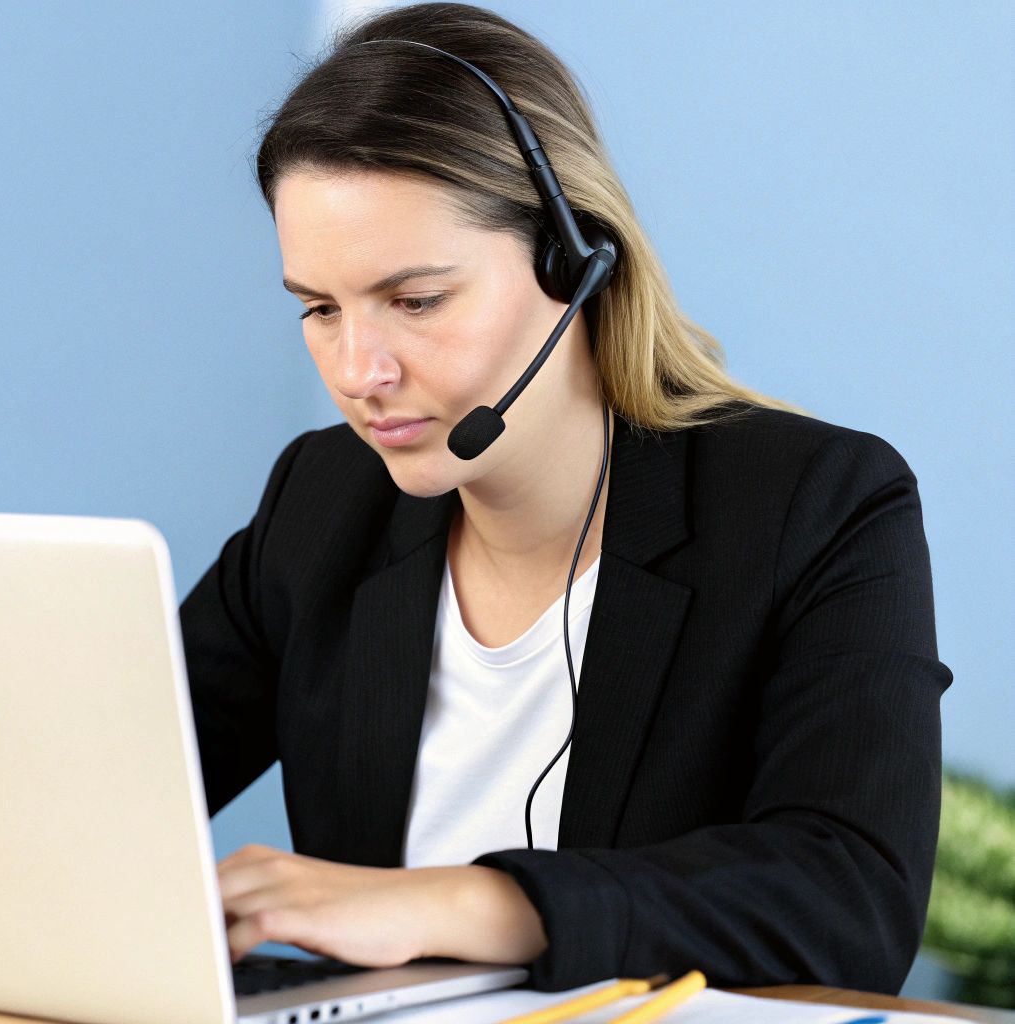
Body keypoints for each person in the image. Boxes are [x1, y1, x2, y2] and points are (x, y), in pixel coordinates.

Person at [187, 1, 951, 996]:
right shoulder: (319, 503)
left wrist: (464, 902)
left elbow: (848, 899)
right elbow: (99, 782)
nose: (357, 369)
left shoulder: (815, 504)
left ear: (570, 259)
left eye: (414, 300)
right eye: (319, 309)